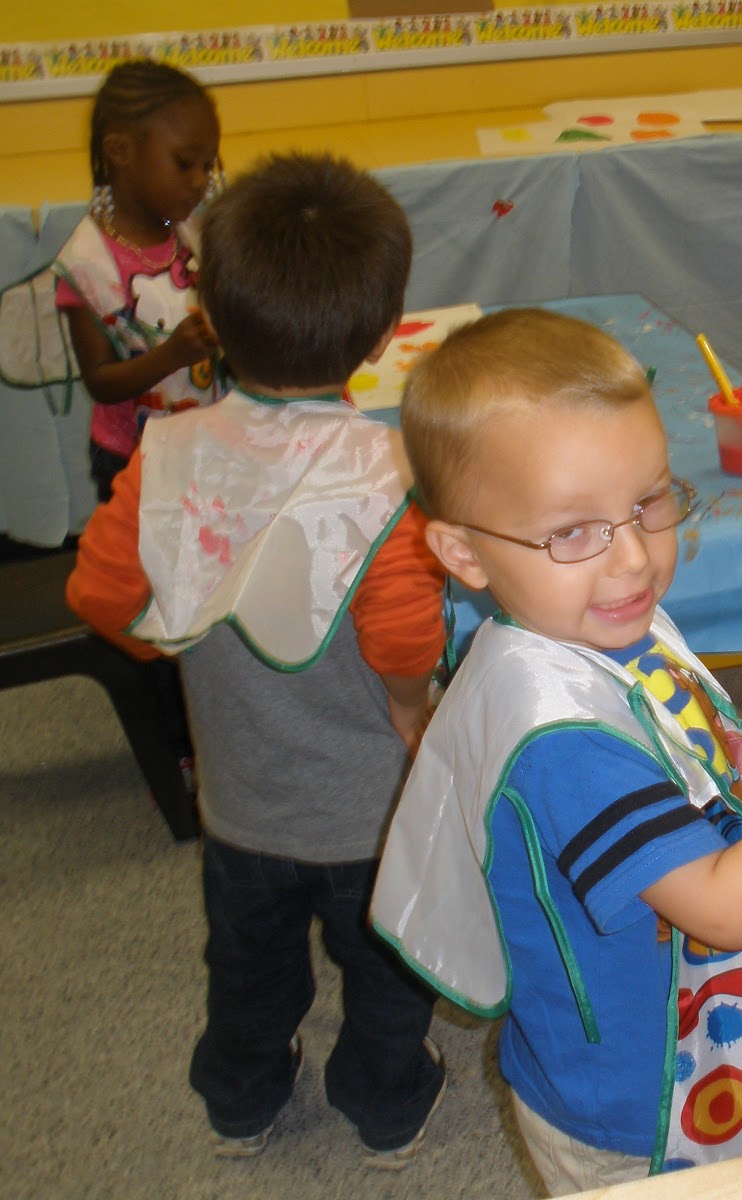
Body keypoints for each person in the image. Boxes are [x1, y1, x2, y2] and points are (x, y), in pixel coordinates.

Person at [370, 308, 742, 1196]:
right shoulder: (558, 739)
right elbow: (722, 908)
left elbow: (667, 744)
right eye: (571, 531)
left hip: (712, 1049)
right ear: (461, 552)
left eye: (649, 502)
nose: (633, 561)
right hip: (642, 1115)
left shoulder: (597, 628)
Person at [65, 152, 447, 1167]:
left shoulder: (168, 456)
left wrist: (185, 635)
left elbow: (97, 596)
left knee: (247, 965)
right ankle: (382, 1100)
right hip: (367, 812)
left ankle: (240, 1097)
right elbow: (404, 638)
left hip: (238, 802)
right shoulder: (387, 474)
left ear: (214, 323)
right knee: (385, 971)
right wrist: (411, 713)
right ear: (378, 337)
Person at [53, 59, 225, 501]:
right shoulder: (86, 264)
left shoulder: (195, 234)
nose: (200, 182)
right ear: (120, 151)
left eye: (208, 166)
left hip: (209, 442)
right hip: (130, 459)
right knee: (140, 566)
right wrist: (170, 355)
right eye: (185, 163)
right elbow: (101, 380)